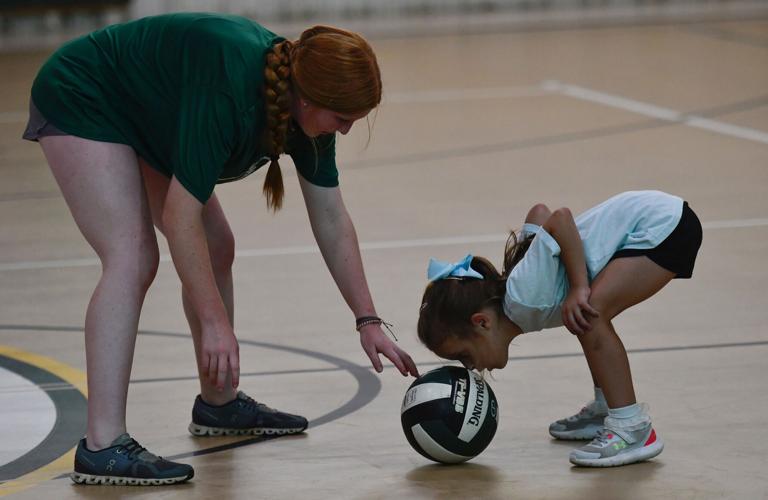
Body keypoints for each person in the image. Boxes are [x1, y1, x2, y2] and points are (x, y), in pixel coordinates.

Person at [23, 12, 418, 486]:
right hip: (85, 94)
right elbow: (179, 216)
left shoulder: (307, 113)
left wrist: (367, 319)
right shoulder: (229, 90)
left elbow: (331, 218)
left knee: (217, 246)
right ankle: (102, 445)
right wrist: (214, 323)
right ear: (310, 97)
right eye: (344, 119)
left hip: (144, 110)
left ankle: (219, 404)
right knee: (132, 257)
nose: (348, 130)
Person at [417, 190, 702, 467]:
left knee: (590, 314)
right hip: (661, 218)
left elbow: (560, 218)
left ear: (482, 322)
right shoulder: (520, 292)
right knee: (582, 316)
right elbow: (539, 212)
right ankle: (606, 406)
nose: (468, 366)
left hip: (663, 225)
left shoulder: (523, 294)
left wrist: (579, 286)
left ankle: (633, 428)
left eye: (464, 355)